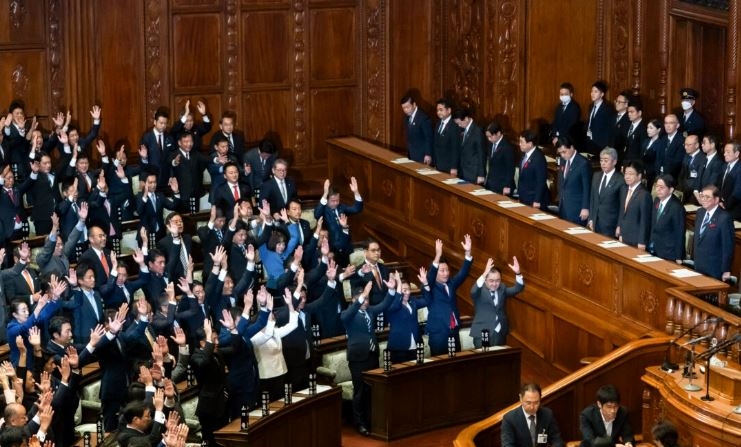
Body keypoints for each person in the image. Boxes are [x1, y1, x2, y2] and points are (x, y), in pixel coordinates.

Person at [342, 279, 396, 436]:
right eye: (363, 299)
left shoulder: (370, 311)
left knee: (371, 390)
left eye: (367, 298)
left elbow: (384, 305)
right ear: (354, 300)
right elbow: (349, 314)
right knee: (359, 391)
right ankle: (360, 423)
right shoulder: (348, 314)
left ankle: (372, 420)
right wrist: (363, 294)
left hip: (372, 355)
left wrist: (392, 290)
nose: (366, 301)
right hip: (358, 358)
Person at [425, 235, 472, 356]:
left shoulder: (451, 283)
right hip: (438, 334)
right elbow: (429, 278)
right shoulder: (429, 286)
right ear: (435, 272)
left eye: (447, 270)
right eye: (442, 270)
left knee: (456, 366)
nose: (446, 273)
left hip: (454, 332)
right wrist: (437, 256)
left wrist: (467, 252)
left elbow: (463, 273)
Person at [469, 257, 523, 347]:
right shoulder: (479, 290)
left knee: (498, 358)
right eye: (491, 281)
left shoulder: (502, 288)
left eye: (498, 280)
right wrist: (484, 273)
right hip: (483, 332)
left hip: (500, 331)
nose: (494, 284)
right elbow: (473, 291)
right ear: (485, 280)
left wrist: (518, 273)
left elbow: (518, 288)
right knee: (484, 359)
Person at [501, 383, 564, 447]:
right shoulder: (509, 419)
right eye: (528, 403)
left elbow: (557, 440)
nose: (532, 407)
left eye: (536, 403)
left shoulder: (547, 414)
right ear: (520, 398)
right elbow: (507, 445)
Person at [693, 185, 734, 281]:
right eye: (702, 196)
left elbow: (727, 246)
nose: (703, 199)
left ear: (716, 200)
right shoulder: (700, 212)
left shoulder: (724, 218)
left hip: (714, 268)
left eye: (707, 197)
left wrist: (726, 270)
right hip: (699, 265)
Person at [386, 270, 427, 363]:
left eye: (409, 289)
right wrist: (399, 283)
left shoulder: (413, 301)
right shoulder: (391, 303)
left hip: (416, 346)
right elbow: (396, 304)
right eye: (404, 290)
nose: (408, 292)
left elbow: (428, 300)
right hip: (399, 349)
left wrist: (425, 284)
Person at [589, 147, 625, 237]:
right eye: (601, 160)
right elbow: (593, 198)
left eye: (606, 160)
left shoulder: (620, 180)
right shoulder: (596, 175)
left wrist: (619, 225)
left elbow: (622, 206)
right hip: (594, 222)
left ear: (614, 162)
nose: (603, 163)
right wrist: (591, 218)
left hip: (610, 225)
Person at [649, 175, 685, 263]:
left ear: (671, 189)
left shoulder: (677, 207)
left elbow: (679, 233)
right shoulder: (657, 200)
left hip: (668, 253)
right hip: (653, 248)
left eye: (662, 187)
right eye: (656, 186)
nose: (658, 189)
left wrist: (678, 256)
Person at [616, 160, 652, 249]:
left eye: (631, 174)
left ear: (639, 176)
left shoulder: (644, 194)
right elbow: (622, 211)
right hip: (623, 234)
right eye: (626, 173)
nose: (627, 176)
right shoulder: (624, 189)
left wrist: (642, 241)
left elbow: (645, 220)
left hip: (636, 239)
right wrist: (619, 226)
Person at [556, 136, 591, 225]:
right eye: (560, 153)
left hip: (577, 209)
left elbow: (587, 187)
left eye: (564, 152)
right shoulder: (563, 161)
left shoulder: (583, 163)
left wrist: (585, 207)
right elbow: (562, 182)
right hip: (563, 206)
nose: (562, 155)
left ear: (571, 147)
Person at [139, 106, 175, 188]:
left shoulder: (169, 138)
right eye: (161, 123)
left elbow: (172, 158)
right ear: (155, 122)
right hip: (152, 180)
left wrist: (172, 175)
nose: (163, 126)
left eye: (165, 123)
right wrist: (144, 158)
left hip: (166, 179)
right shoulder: (146, 137)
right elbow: (142, 163)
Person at [517, 130, 549, 209]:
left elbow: (541, 181)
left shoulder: (539, 158)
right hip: (525, 197)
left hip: (534, 199)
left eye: (522, 142)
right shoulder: (524, 154)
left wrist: (537, 200)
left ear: (530, 144)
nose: (519, 144)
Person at [453, 108, 485, 184]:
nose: (459, 125)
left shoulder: (477, 131)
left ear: (466, 118)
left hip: (473, 172)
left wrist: (481, 174)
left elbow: (481, 154)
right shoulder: (462, 129)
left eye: (460, 123)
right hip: (463, 171)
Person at [584, 80, 615, 156]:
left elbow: (609, 129)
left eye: (596, 91)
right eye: (592, 91)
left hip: (601, 144)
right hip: (590, 141)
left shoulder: (607, 108)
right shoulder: (591, 106)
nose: (592, 94)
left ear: (602, 94)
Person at [484, 122, 516, 196]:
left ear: (498, 133)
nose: (489, 139)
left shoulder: (507, 147)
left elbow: (510, 169)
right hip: (491, 184)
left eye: (490, 136)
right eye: (487, 137)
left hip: (502, 186)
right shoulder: (490, 143)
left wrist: (507, 186)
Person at [400, 94, 433, 164]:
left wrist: (428, 154)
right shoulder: (407, 118)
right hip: (411, 155)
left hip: (422, 157)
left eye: (407, 107)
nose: (405, 110)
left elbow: (429, 137)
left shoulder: (423, 118)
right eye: (403, 108)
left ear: (414, 105)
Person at [432, 98, 460, 175]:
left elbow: (455, 148)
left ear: (449, 110)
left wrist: (454, 167)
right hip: (438, 165)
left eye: (441, 110)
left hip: (449, 167)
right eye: (437, 110)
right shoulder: (438, 124)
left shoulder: (454, 126)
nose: (438, 112)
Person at [549, 82, 581, 146]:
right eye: (561, 94)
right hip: (557, 138)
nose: (563, 96)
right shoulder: (559, 106)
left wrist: (559, 137)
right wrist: (555, 135)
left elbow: (570, 126)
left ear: (571, 94)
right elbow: (555, 122)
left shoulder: (574, 107)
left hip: (568, 139)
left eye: (565, 94)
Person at [677, 134, 705, 204]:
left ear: (697, 145)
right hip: (683, 191)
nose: (686, 147)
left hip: (694, 194)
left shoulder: (703, 159)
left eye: (689, 145)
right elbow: (681, 175)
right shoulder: (686, 157)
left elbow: (699, 180)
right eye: (685, 144)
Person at [695, 134, 723, 199]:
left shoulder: (718, 162)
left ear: (712, 145)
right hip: (698, 196)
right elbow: (698, 178)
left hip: (709, 197)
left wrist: (701, 195)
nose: (701, 145)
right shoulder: (702, 159)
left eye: (704, 143)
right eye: (702, 143)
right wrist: (696, 191)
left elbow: (712, 183)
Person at [719, 141, 741, 220]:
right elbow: (720, 186)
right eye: (724, 152)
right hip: (721, 205)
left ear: (737, 154)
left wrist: (725, 205)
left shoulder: (739, 169)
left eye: (728, 152)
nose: (724, 154)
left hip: (734, 209)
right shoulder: (724, 166)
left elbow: (737, 193)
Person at [659, 114, 685, 180]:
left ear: (677, 125)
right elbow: (658, 158)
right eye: (666, 123)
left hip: (673, 177)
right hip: (660, 175)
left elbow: (678, 162)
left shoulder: (682, 140)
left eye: (671, 123)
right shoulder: (662, 139)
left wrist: (665, 172)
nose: (668, 126)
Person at [642, 118, 665, 188]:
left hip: (653, 176)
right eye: (647, 127)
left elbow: (658, 162)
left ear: (658, 130)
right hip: (643, 173)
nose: (648, 130)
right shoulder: (646, 141)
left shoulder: (660, 144)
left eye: (651, 128)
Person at [623, 99, 647, 166]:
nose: (629, 114)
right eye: (628, 112)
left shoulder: (644, 128)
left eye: (632, 112)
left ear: (639, 113)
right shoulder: (627, 125)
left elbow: (642, 150)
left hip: (636, 165)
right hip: (626, 163)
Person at [613, 91, 631, 163]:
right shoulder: (612, 116)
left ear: (626, 104)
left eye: (619, 102)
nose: (617, 103)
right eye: (616, 101)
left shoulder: (628, 119)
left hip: (620, 155)